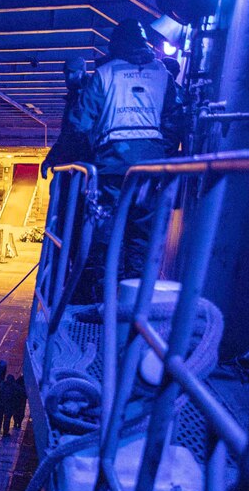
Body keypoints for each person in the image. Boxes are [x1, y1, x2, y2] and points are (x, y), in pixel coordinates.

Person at [74, 19, 183, 294]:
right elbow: (174, 121)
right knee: (141, 235)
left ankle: (104, 301)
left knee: (107, 233)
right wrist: (160, 154)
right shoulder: (163, 74)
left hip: (112, 165)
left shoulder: (105, 74)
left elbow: (80, 123)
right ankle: (134, 299)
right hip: (151, 166)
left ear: (116, 44)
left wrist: (93, 152)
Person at [40, 57, 94, 179]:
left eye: (72, 73)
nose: (68, 77)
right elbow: (68, 133)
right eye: (66, 73)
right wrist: (51, 158)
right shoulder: (77, 96)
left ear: (82, 71)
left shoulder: (89, 95)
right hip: (80, 159)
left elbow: (73, 133)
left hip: (83, 159)